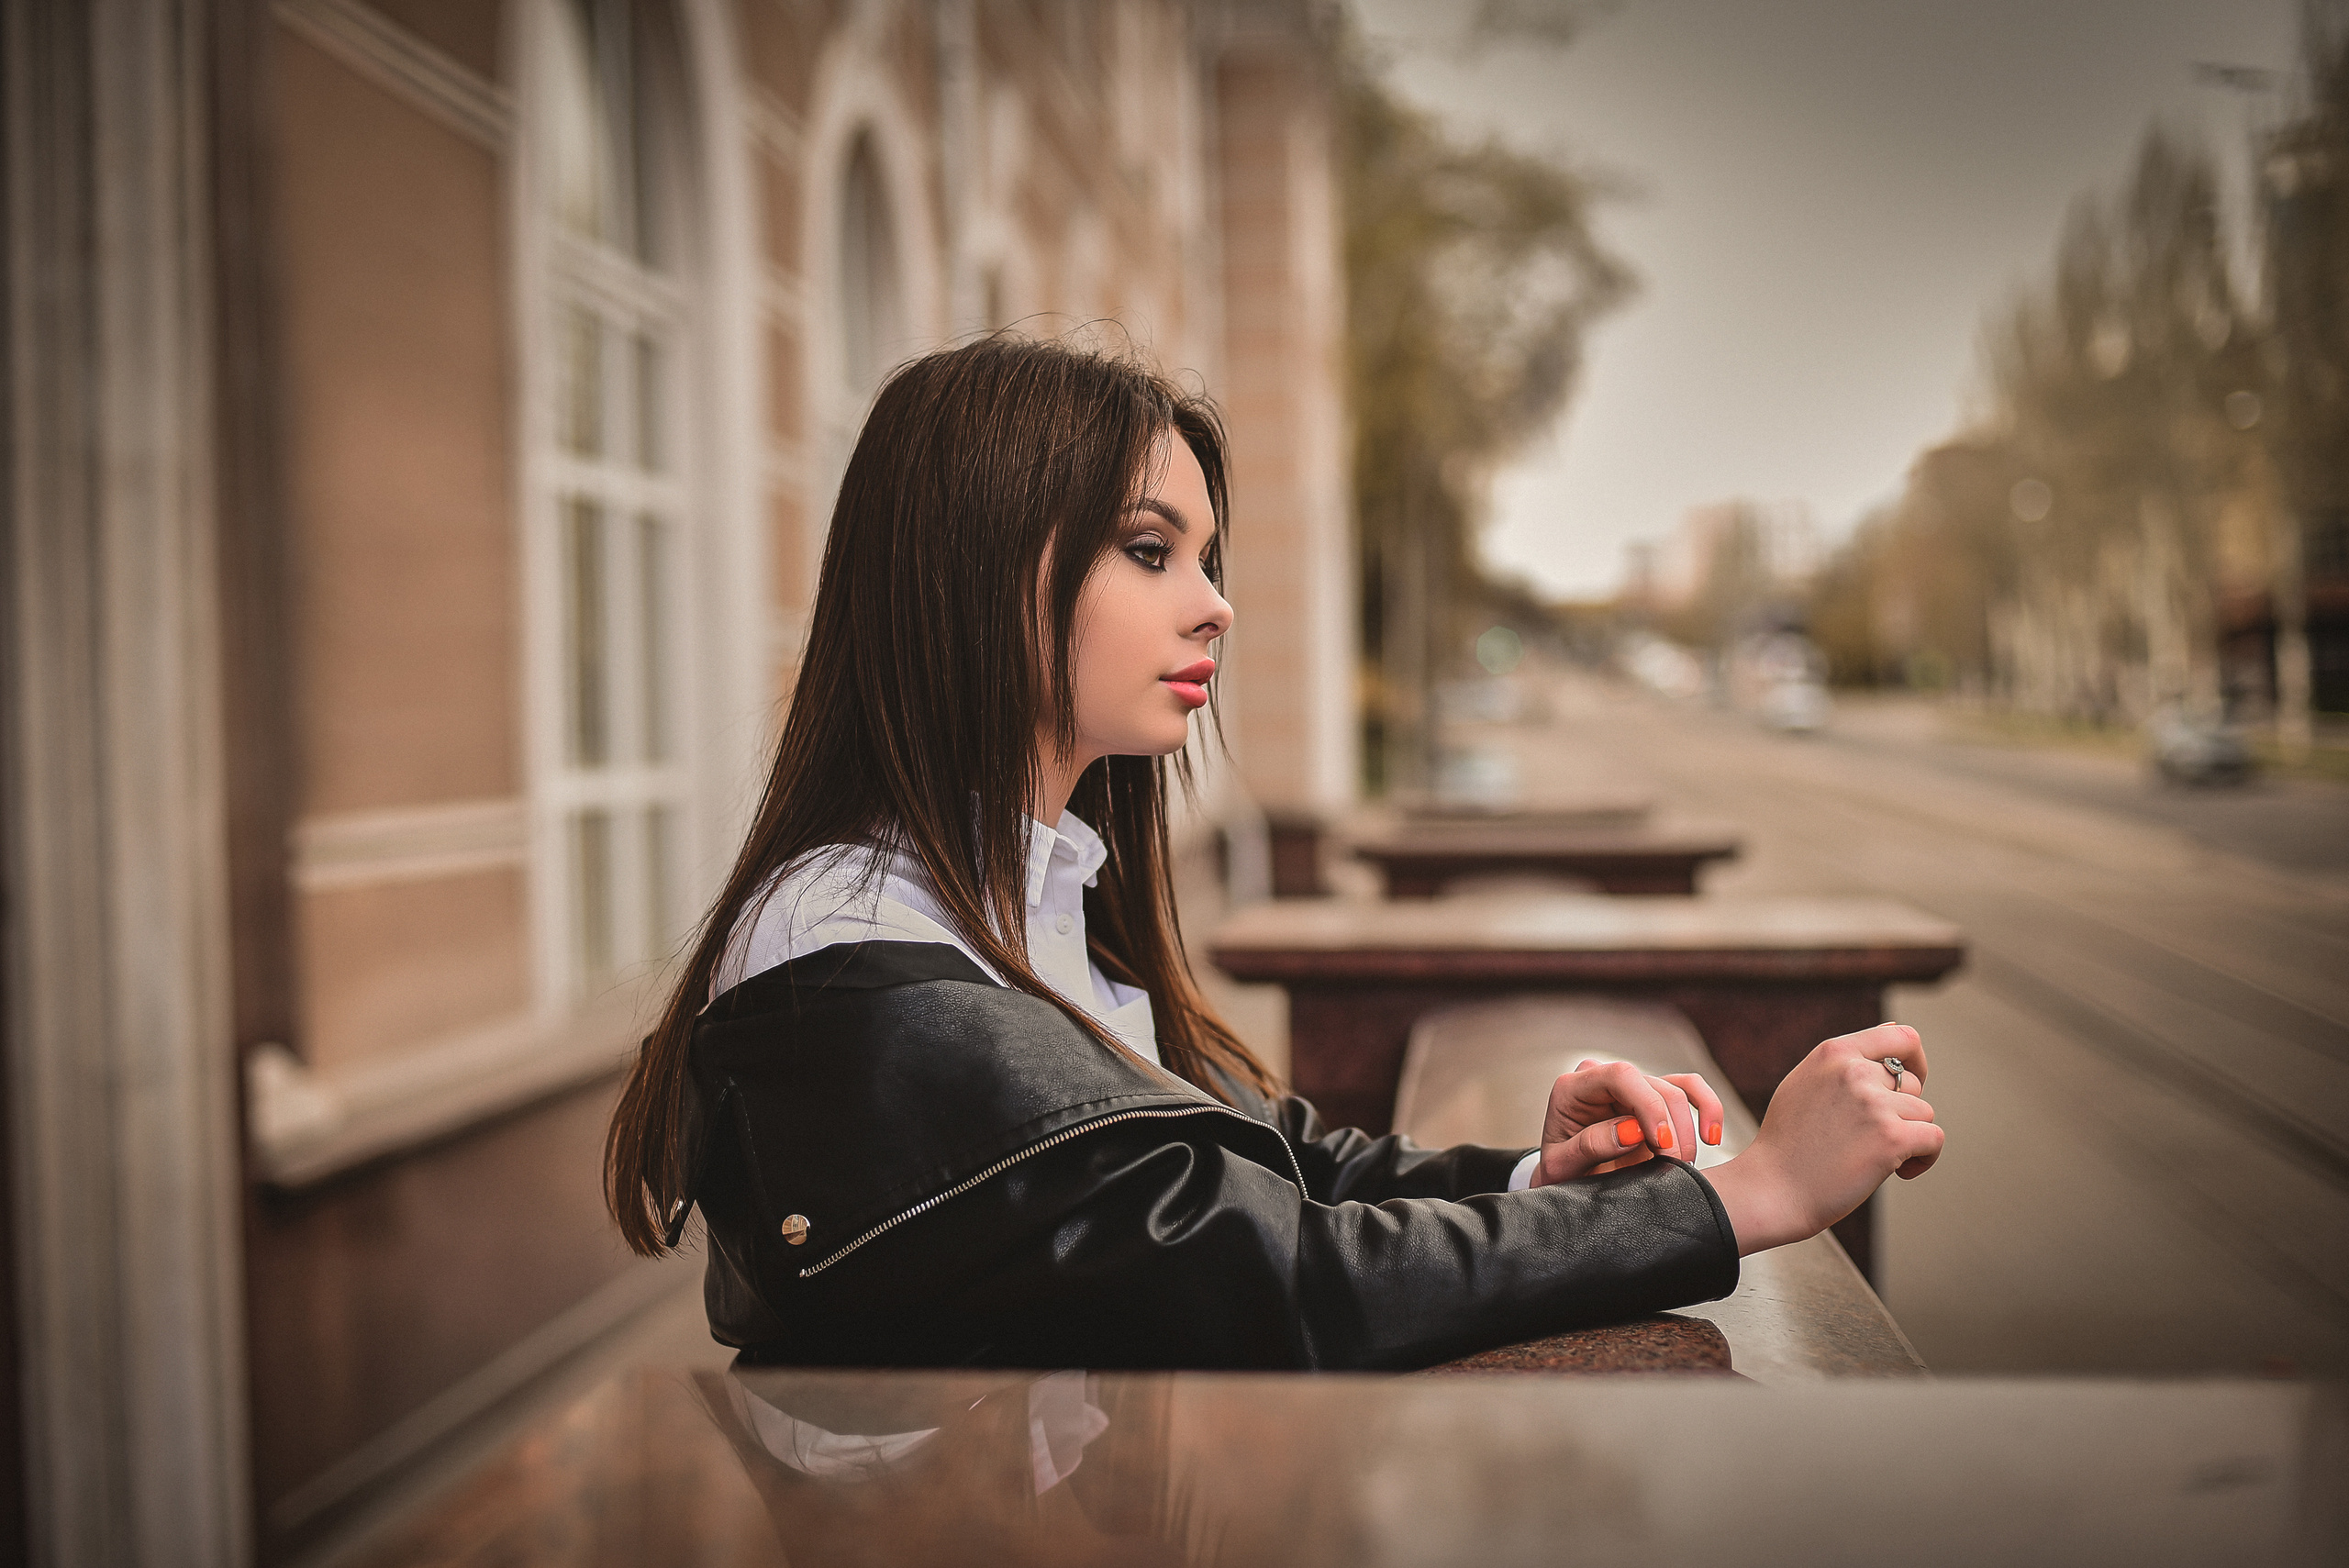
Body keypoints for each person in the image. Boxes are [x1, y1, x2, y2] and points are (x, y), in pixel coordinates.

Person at [604, 335, 1944, 1371]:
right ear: (975, 566)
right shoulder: (850, 962)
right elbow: (1285, 1271)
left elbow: (1277, 1165)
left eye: (1207, 555)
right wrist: (1750, 1194)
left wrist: (1541, 1176)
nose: (1216, 604)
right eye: (1149, 550)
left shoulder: (1025, 894)